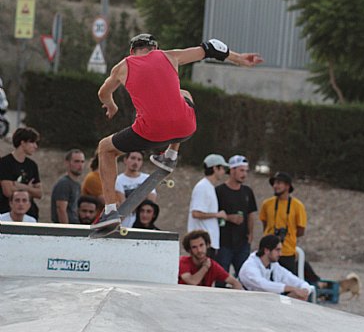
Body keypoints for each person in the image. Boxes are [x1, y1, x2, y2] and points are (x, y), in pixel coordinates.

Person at [92, 33, 262, 231]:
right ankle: (171, 154)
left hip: (149, 132)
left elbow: (103, 93)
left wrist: (111, 106)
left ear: (132, 51)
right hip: (186, 129)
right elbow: (212, 48)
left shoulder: (122, 66)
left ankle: (110, 211)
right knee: (185, 93)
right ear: (155, 48)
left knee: (106, 148)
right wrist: (240, 59)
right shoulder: (169, 55)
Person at [216, 155, 257, 274]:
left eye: (246, 171)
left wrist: (250, 235)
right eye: (241, 170)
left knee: (244, 276)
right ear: (232, 170)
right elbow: (214, 214)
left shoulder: (247, 192)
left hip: (242, 243)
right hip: (224, 242)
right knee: (221, 276)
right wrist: (229, 218)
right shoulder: (219, 191)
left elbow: (250, 214)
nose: (244, 174)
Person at [259, 172, 307, 274]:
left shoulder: (297, 206)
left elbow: (301, 230)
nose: (275, 186)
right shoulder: (267, 204)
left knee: (288, 282)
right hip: (268, 252)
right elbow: (264, 223)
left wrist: (288, 235)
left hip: (287, 252)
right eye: (274, 183)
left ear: (287, 186)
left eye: (279, 183)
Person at [238, 234, 311, 300]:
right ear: (266, 250)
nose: (280, 254)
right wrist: (292, 289)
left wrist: (304, 289)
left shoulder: (274, 265)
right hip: (249, 303)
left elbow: (292, 279)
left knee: (300, 296)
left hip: (268, 302)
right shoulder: (250, 266)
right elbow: (263, 285)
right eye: (277, 250)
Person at [187, 154, 229, 255]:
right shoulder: (203, 187)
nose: (224, 172)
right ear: (215, 168)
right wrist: (217, 215)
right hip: (202, 247)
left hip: (208, 245)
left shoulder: (209, 187)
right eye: (222, 168)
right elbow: (196, 213)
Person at [0, 127, 42, 220]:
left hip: (30, 214)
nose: (35, 146)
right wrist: (30, 189)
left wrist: (22, 187)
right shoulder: (5, 163)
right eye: (32, 142)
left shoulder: (32, 165)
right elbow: (8, 192)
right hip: (7, 215)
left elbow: (39, 193)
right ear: (22, 143)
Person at [178, 230, 243, 289]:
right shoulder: (184, 262)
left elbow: (236, 283)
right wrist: (205, 267)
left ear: (207, 245)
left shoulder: (213, 265)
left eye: (201, 245)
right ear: (189, 250)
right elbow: (192, 282)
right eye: (194, 247)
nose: (199, 250)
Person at [114, 151, 157, 228]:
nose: (135, 162)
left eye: (139, 159)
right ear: (125, 160)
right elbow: (124, 206)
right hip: (124, 224)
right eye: (133, 158)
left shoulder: (147, 178)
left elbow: (151, 201)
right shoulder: (118, 180)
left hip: (142, 224)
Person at [51, 149, 85, 224]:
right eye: (76, 161)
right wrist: (66, 230)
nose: (80, 165)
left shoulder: (77, 185)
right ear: (67, 163)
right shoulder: (64, 184)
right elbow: (61, 209)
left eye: (82, 162)